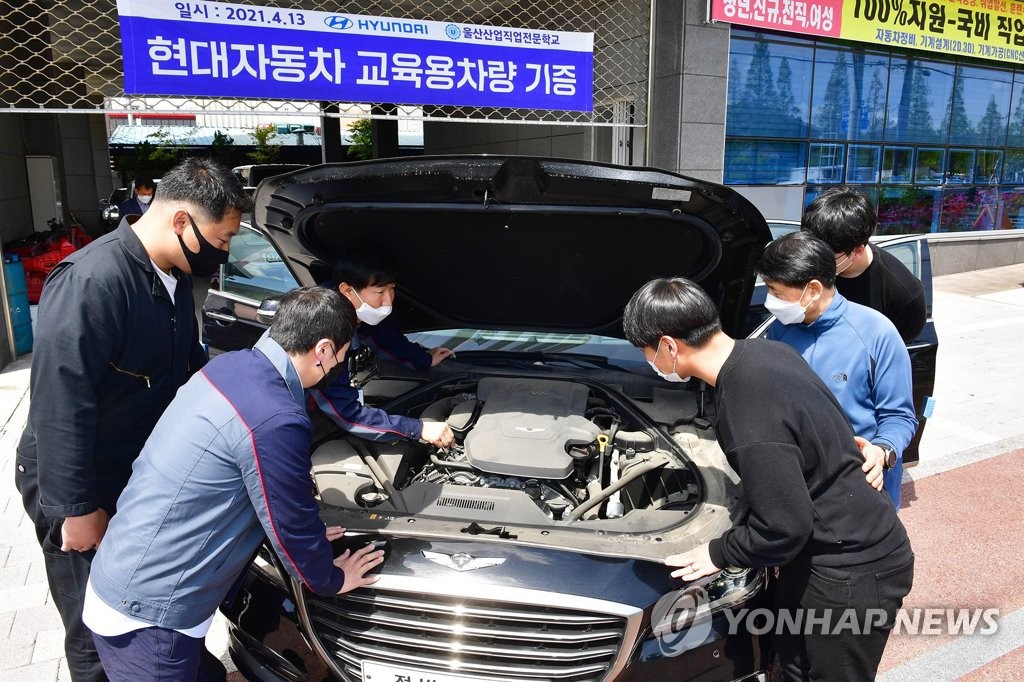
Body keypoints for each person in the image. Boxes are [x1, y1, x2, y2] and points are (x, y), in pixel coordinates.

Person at [15, 157, 250, 681]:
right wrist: (76, 509)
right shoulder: (92, 281)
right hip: (79, 479)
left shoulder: (171, 282)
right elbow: (60, 405)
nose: (226, 250)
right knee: (94, 623)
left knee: (138, 604)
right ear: (183, 222)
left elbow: (189, 376)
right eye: (225, 237)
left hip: (131, 476)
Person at [83, 287, 384, 681]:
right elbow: (288, 522)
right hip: (151, 617)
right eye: (342, 357)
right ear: (324, 350)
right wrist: (331, 578)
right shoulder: (275, 415)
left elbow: (255, 497)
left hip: (135, 576)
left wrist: (308, 535)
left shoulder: (230, 368)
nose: (339, 367)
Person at [622, 277, 914, 682]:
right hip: (824, 553)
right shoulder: (768, 352)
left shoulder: (746, 406)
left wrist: (718, 551)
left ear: (670, 347)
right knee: (791, 668)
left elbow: (784, 527)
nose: (650, 362)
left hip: (854, 569)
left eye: (648, 351)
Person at [756, 232, 918, 508]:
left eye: (776, 291)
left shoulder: (876, 333)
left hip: (862, 486)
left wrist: (881, 451)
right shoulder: (779, 329)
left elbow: (900, 417)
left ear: (814, 290)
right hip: (800, 481)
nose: (770, 299)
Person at [312, 244, 454, 448]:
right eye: (380, 292)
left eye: (392, 289)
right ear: (347, 290)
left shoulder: (348, 307)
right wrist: (417, 428)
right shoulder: (325, 335)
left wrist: (423, 359)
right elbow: (346, 412)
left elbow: (382, 335)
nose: (388, 301)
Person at [800, 186, 926, 343]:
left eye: (825, 254)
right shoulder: (805, 263)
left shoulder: (904, 296)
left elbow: (892, 355)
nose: (814, 259)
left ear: (858, 250)